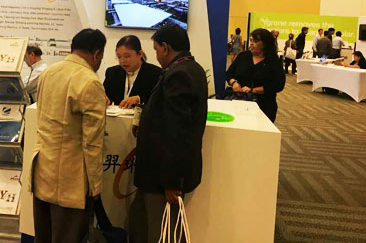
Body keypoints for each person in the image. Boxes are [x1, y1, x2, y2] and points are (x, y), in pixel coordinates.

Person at [129, 25, 207, 243]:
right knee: (141, 223)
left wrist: (172, 181)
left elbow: (178, 131)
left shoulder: (179, 74)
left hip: (162, 176)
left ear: (165, 47)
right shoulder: (189, 68)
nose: (155, 55)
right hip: (159, 174)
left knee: (158, 231)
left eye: (156, 49)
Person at [31, 29, 107, 243]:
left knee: (43, 237)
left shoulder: (49, 72)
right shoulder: (90, 81)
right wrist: (95, 185)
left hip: (42, 169)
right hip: (70, 180)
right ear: (97, 54)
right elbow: (92, 142)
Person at [226, 28, 286, 122]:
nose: (251, 43)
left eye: (255, 41)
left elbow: (278, 85)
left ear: (265, 44)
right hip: (239, 102)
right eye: (251, 40)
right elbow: (229, 73)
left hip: (264, 106)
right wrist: (234, 83)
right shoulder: (243, 56)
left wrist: (253, 90)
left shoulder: (273, 61)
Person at [103, 35, 162, 109]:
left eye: (127, 56)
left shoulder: (155, 73)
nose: (122, 61)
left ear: (140, 54)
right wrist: (104, 99)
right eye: (119, 57)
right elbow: (105, 95)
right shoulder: (112, 73)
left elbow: (159, 101)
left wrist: (139, 99)